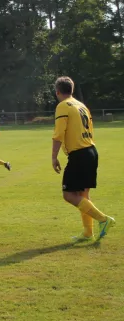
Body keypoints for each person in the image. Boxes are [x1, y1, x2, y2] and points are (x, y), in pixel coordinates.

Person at [52, 77, 115, 242]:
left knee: (69, 195)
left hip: (79, 154)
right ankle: (88, 233)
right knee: (83, 194)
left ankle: (103, 219)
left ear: (57, 91)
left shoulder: (63, 106)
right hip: (91, 151)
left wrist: (54, 157)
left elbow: (58, 135)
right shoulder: (82, 106)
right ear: (71, 90)